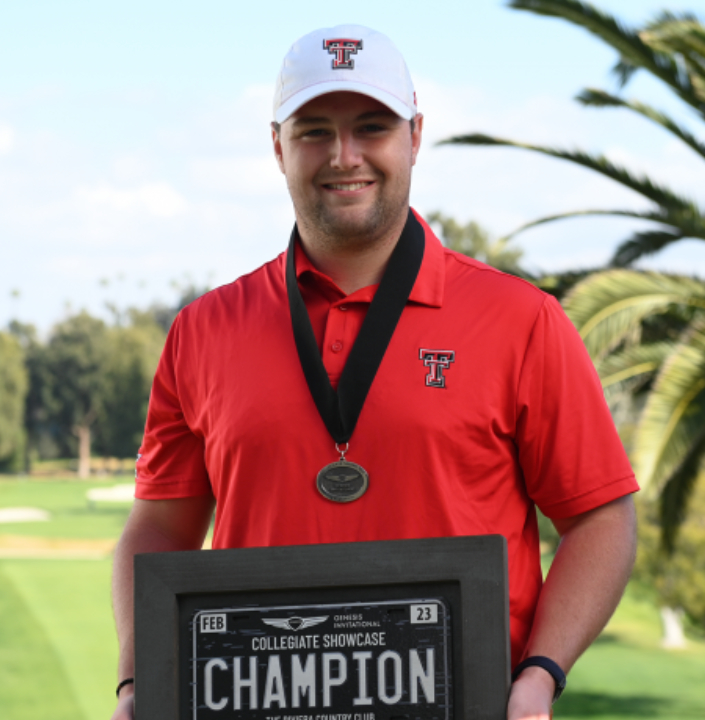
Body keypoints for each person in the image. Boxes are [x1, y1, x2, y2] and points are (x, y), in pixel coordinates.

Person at [111, 24, 638, 720]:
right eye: (313, 131)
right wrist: (137, 684)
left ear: (415, 136)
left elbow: (600, 516)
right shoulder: (203, 330)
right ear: (278, 147)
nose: (344, 156)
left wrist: (540, 674)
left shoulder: (521, 320)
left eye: (372, 126)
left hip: (464, 704)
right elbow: (158, 529)